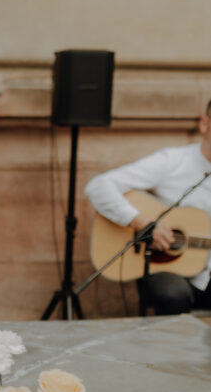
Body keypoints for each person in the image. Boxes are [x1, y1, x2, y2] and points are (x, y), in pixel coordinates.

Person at [84, 99, 211, 314]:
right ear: (204, 124)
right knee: (172, 293)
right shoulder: (173, 161)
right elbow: (99, 186)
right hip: (167, 270)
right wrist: (143, 223)